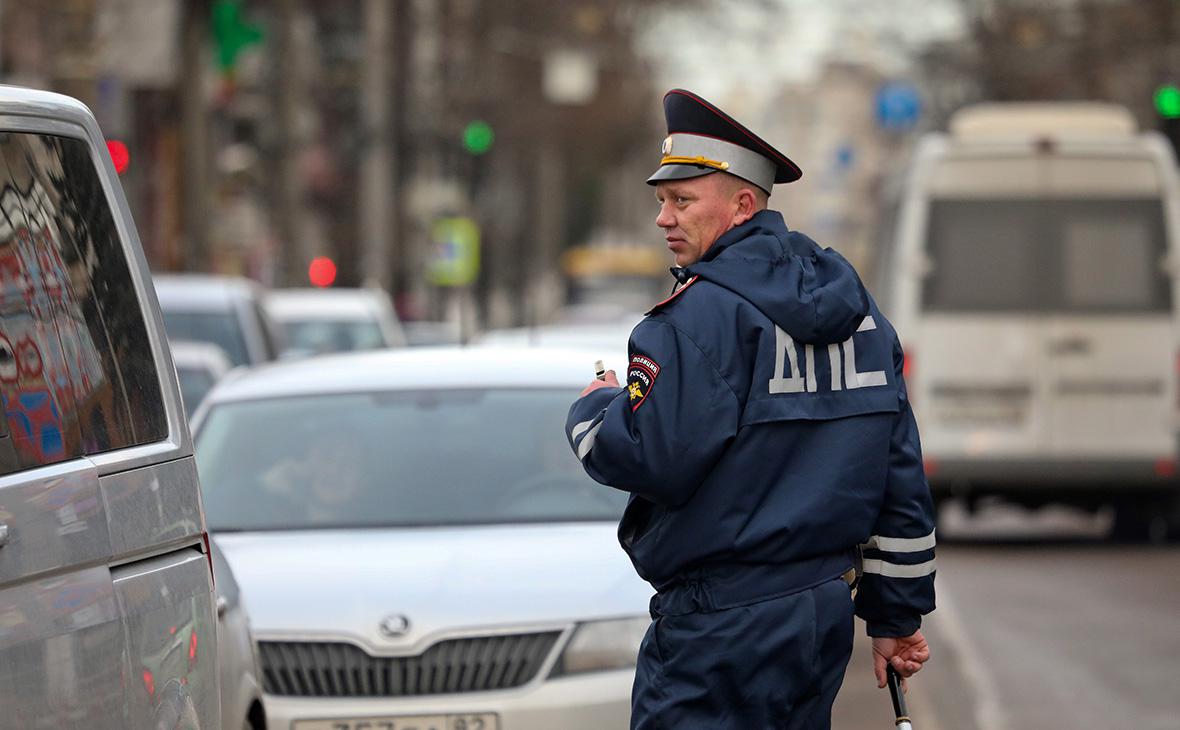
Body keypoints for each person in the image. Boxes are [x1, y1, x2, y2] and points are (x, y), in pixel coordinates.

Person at [565, 88, 935, 729]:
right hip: (819, 615)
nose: (664, 219)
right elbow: (898, 473)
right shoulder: (864, 316)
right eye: (662, 201)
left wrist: (594, 414)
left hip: (717, 625)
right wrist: (896, 618)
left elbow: (658, 460)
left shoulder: (696, 319)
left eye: (681, 201)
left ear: (741, 205)